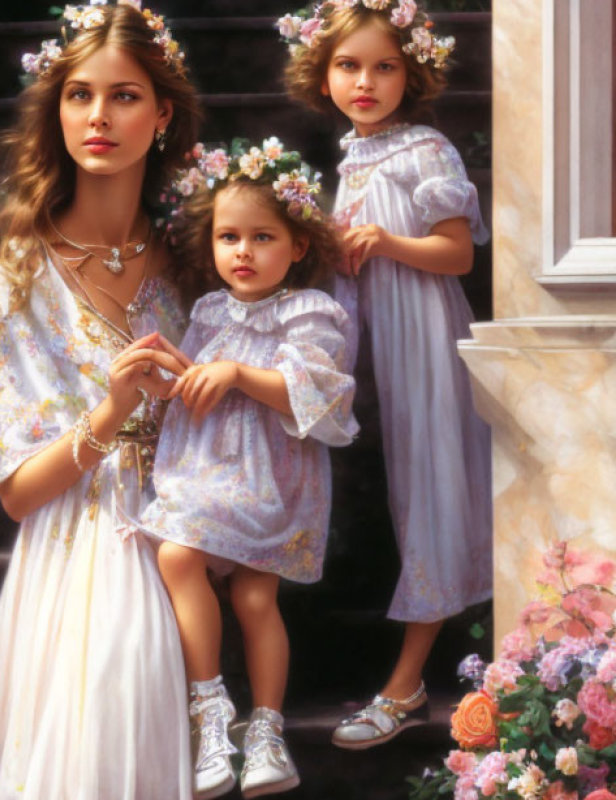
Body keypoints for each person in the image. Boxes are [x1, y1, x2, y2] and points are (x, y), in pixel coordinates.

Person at [0, 3, 203, 798]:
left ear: (162, 113)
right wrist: (111, 412)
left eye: (125, 95)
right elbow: (20, 495)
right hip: (78, 558)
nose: (99, 117)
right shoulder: (8, 288)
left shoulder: (204, 269)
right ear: (55, 110)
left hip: (199, 543)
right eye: (79, 95)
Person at [280, 0, 493, 749]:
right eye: (348, 65)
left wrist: (385, 241)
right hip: (379, 336)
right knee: (403, 485)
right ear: (323, 73)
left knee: (432, 482)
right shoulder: (354, 152)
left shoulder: (425, 148)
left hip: (426, 335)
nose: (364, 81)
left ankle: (405, 689)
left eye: (383, 66)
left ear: (412, 73)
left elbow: (458, 255)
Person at [137, 141, 358, 798]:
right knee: (178, 558)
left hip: (273, 477)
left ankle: (265, 730)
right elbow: (198, 386)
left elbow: (314, 396)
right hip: (209, 468)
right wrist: (173, 372)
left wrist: (236, 372)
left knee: (256, 595)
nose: (243, 251)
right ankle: (211, 714)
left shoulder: (310, 313)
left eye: (263, 237)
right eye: (229, 237)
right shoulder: (207, 313)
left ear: (296, 246)